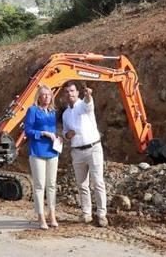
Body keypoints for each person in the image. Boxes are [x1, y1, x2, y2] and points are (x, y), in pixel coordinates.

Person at [61, 81, 108, 227]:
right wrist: (67, 135)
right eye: (67, 91)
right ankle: (86, 214)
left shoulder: (83, 105)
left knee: (98, 182)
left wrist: (88, 96)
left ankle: (101, 214)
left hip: (93, 148)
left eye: (73, 91)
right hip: (77, 152)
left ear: (78, 92)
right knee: (82, 185)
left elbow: (89, 104)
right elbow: (64, 132)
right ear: (64, 95)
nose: (70, 94)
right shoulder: (65, 114)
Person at [23, 84, 60, 229]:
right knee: (39, 185)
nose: (46, 97)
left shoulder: (52, 112)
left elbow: (53, 130)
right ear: (39, 96)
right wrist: (42, 133)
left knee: (51, 185)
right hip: (37, 151)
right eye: (43, 94)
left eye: (48, 94)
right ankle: (41, 216)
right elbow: (28, 131)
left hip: (52, 151)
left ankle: (52, 214)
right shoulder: (32, 110)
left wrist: (57, 138)